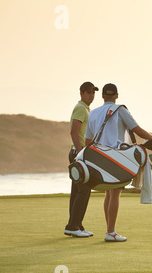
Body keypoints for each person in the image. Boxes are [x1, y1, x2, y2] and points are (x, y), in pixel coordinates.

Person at [85, 83, 152, 242]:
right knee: (115, 193)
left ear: (103, 96)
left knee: (108, 193)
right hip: (117, 157)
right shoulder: (120, 110)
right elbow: (137, 130)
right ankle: (111, 232)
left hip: (99, 156)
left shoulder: (93, 113)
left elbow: (87, 141)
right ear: (116, 96)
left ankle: (109, 230)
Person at [65, 81, 98, 238]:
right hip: (78, 154)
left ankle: (75, 224)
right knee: (84, 190)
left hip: (77, 153)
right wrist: (81, 154)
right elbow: (74, 132)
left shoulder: (85, 109)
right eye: (89, 92)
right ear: (81, 93)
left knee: (77, 191)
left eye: (93, 93)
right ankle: (73, 225)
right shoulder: (80, 108)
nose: (92, 96)